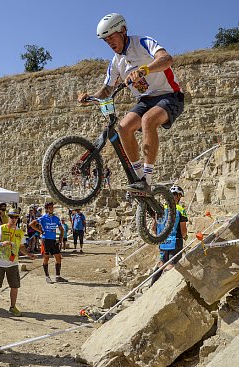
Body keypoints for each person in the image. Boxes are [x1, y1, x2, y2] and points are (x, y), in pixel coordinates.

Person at [78, 13, 184, 195]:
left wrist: (145, 69)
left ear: (123, 30)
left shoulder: (142, 42)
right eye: (105, 40)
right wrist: (90, 97)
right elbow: (106, 89)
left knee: (148, 120)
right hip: (146, 100)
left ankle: (147, 180)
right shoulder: (116, 62)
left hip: (170, 95)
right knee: (124, 127)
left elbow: (167, 59)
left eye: (111, 36)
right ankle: (138, 177)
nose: (109, 42)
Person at [0, 209, 36, 316]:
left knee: (14, 286)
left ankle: (12, 307)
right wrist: (3, 243)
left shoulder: (19, 231)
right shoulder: (1, 228)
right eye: (12, 217)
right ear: (8, 217)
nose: (14, 219)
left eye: (16, 217)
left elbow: (21, 246)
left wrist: (28, 254)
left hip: (13, 263)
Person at [150, 185, 188, 286]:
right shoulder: (180, 209)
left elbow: (154, 228)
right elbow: (183, 230)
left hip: (162, 241)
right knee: (172, 264)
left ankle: (152, 285)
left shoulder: (160, 209)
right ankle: (166, 288)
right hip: (175, 241)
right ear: (179, 196)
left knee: (162, 263)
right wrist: (185, 236)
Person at [29, 202, 68, 284]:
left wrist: (61, 239)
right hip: (46, 240)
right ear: (46, 209)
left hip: (53, 240)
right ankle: (47, 277)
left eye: (52, 207)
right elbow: (31, 224)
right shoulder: (43, 218)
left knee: (58, 257)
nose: (51, 208)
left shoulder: (56, 218)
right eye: (49, 207)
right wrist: (40, 231)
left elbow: (61, 229)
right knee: (46, 257)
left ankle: (58, 276)